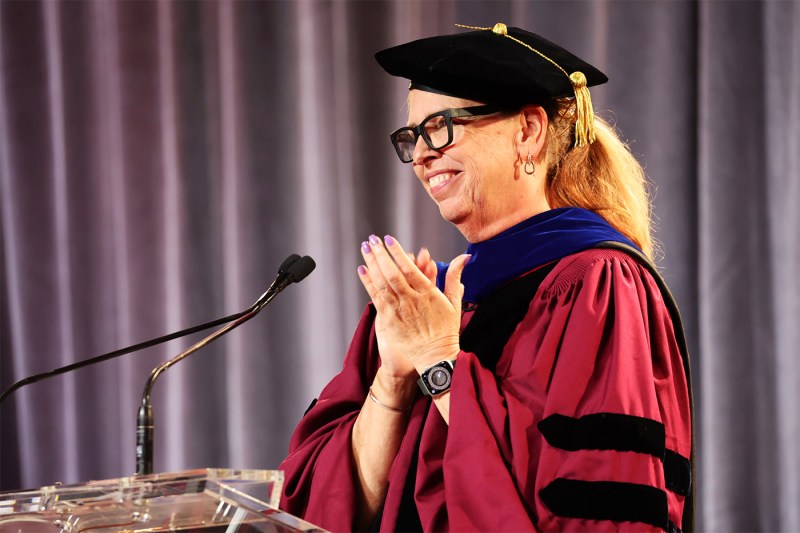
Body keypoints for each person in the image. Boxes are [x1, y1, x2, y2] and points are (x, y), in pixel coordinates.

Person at [278, 23, 694, 532]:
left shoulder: (596, 283)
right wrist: (394, 379)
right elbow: (320, 512)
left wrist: (440, 359)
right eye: (413, 137)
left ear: (528, 131)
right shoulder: (427, 302)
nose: (424, 154)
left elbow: (592, 504)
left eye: (442, 127)